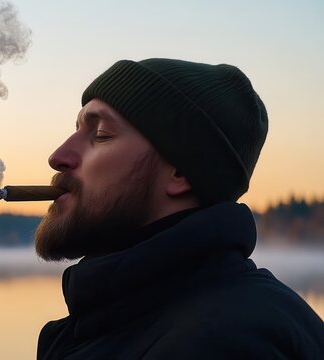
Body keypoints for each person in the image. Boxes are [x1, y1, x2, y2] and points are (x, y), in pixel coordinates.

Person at [35, 58, 324, 359]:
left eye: (102, 134)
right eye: (77, 129)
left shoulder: (226, 341)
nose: (58, 156)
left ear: (180, 173)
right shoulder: (121, 322)